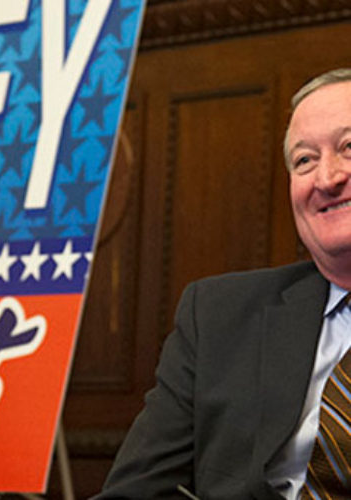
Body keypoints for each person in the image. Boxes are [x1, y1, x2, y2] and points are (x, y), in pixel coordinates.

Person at [92, 69, 351, 499]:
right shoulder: (218, 314)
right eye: (305, 160)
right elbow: (135, 492)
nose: (326, 178)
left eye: (348, 148)